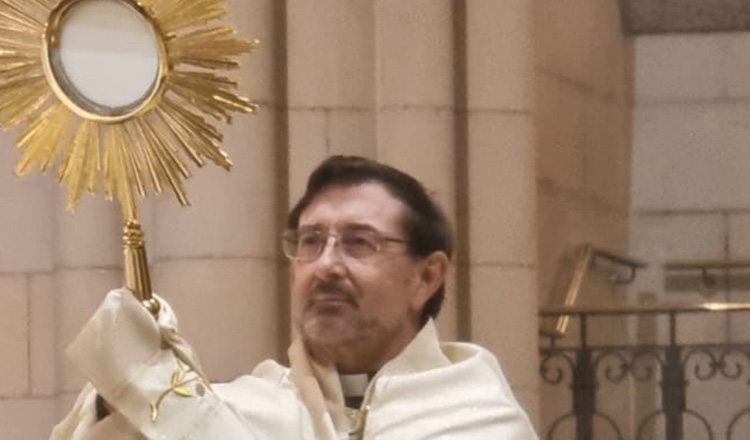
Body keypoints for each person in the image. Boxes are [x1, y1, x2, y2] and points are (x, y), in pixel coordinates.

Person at [50, 155, 538, 440]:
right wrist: (134, 388)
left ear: (427, 276)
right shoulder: (239, 413)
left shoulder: (477, 418)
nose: (326, 265)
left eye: (358, 242)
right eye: (309, 242)